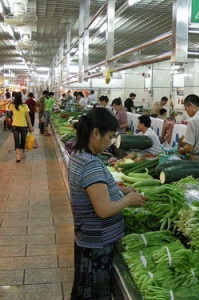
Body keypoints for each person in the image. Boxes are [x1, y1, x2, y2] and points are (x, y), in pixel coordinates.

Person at [68, 108, 147, 300]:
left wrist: (122, 191)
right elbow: (103, 210)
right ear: (95, 133)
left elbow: (95, 192)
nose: (110, 142)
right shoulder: (91, 164)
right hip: (97, 245)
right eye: (110, 137)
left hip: (89, 239)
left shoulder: (80, 155)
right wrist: (128, 200)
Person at [8, 92, 34, 162]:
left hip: (15, 125)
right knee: (23, 139)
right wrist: (31, 126)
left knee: (16, 140)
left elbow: (8, 106)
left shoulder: (13, 106)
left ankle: (17, 156)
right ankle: (22, 154)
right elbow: (28, 117)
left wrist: (13, 100)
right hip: (23, 126)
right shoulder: (25, 106)